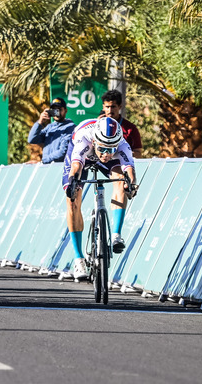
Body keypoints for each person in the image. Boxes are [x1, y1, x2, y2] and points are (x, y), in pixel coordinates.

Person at [61, 116, 138, 281]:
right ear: (96, 142)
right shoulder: (84, 139)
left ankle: (116, 234)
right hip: (84, 156)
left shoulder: (122, 145)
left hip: (102, 154)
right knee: (73, 201)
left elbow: (130, 170)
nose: (106, 154)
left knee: (121, 181)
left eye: (111, 149)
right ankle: (78, 259)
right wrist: (73, 184)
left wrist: (130, 185)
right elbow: (76, 167)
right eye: (103, 148)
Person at [27, 97, 75, 163]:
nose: (57, 112)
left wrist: (43, 161)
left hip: (60, 167)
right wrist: (40, 122)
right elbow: (32, 139)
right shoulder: (50, 127)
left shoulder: (70, 127)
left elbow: (63, 152)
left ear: (65, 111)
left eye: (59, 109)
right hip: (48, 167)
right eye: (54, 110)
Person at [100, 90, 143, 158]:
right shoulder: (97, 125)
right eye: (107, 107)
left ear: (120, 107)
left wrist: (119, 153)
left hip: (122, 166)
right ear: (103, 107)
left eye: (113, 107)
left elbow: (138, 153)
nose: (110, 110)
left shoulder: (130, 128)